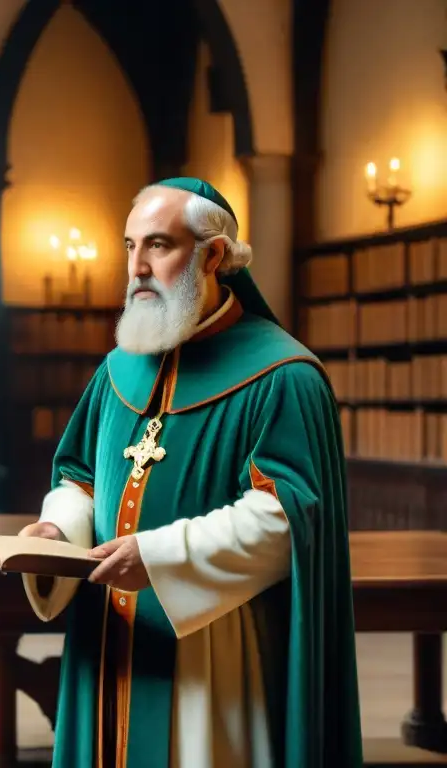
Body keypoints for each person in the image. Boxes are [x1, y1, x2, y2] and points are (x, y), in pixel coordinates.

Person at [19, 178, 362, 767]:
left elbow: (287, 517)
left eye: (159, 245)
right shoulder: (118, 369)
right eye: (129, 246)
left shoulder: (283, 375)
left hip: (212, 640)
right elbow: (78, 476)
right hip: (108, 631)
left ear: (215, 255)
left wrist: (156, 556)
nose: (138, 267)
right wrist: (58, 532)